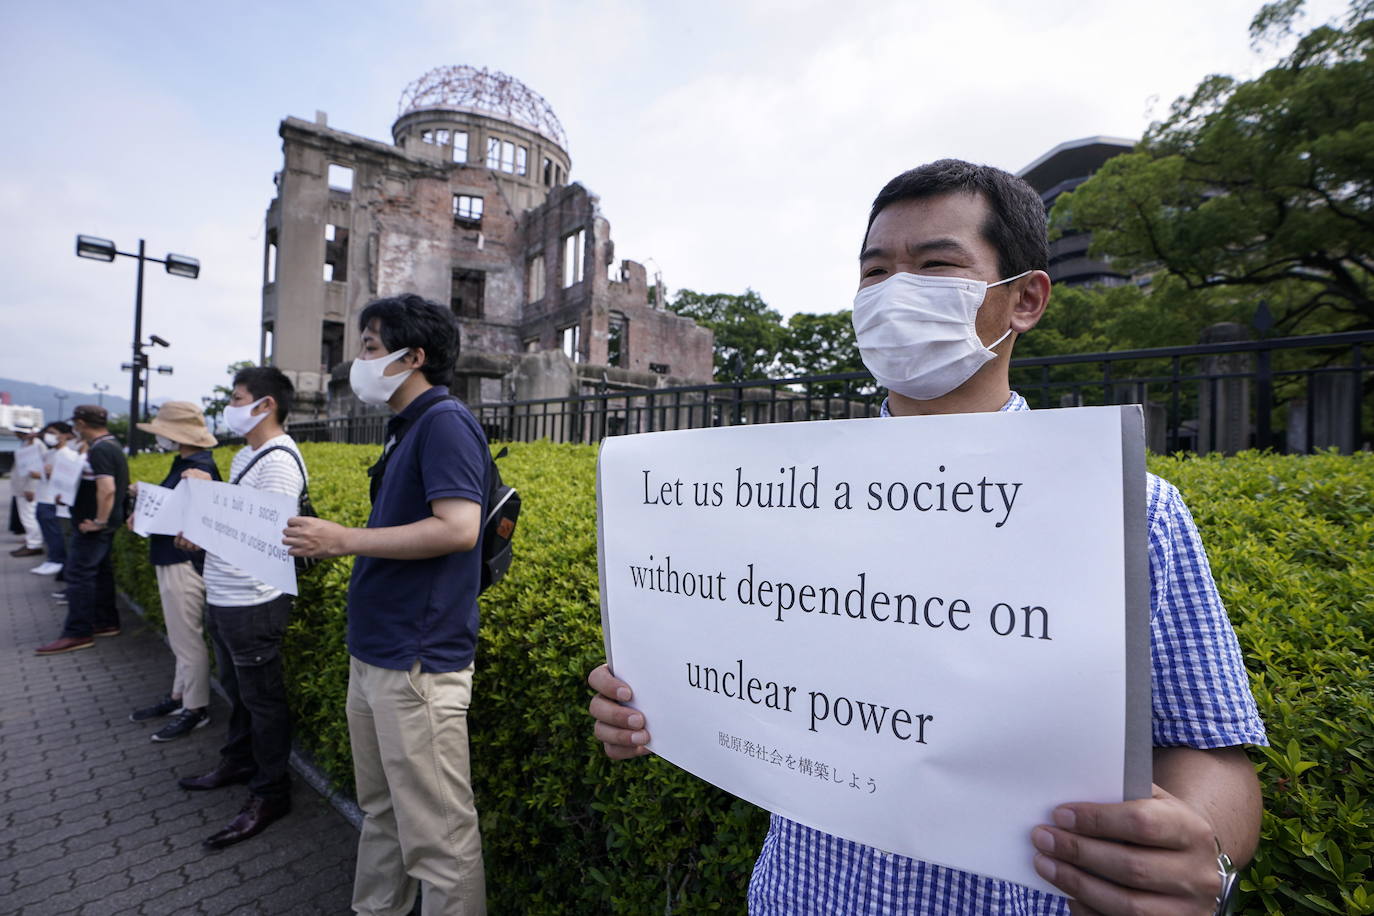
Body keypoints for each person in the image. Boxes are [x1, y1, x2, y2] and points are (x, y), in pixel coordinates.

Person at [587, 160, 1267, 915]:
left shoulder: (1128, 512)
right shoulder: (773, 499)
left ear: (1026, 299)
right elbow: (737, 672)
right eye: (874, 272)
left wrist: (1199, 843)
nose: (895, 292)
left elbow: (1213, 752)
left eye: (936, 264)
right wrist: (656, 702)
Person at [283, 294, 488, 915]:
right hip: (378, 654)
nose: (360, 360)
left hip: (416, 663)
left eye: (371, 347)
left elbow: (459, 528)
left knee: (440, 841)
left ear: (413, 357)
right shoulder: (409, 425)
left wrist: (344, 540)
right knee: (381, 812)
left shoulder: (444, 421)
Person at [176, 367, 306, 849]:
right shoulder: (246, 456)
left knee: (263, 700)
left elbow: (267, 538)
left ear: (265, 404)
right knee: (237, 688)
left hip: (253, 600)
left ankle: (271, 792)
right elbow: (232, 527)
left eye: (237, 397)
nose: (230, 406)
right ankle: (239, 760)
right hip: (225, 593)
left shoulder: (279, 461)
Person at [127, 401, 221, 742]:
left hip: (183, 565)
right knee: (182, 638)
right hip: (173, 561)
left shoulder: (198, 468)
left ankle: (195, 710)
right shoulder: (186, 463)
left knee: (186, 640)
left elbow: (205, 513)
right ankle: (180, 697)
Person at [36, 405, 129, 655]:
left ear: (81, 423)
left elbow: (107, 488)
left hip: (93, 526)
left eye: (76, 425)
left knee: (79, 575)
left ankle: (78, 632)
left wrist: (98, 521)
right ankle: (105, 621)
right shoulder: (112, 445)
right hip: (102, 524)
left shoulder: (100, 449)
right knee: (100, 573)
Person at [30, 422, 76, 577]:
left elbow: (68, 479)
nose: (48, 436)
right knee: (48, 532)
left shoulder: (68, 455)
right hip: (42, 496)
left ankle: (57, 560)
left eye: (52, 432)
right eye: (47, 432)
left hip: (53, 500)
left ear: (64, 435)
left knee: (55, 533)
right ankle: (52, 559)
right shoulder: (49, 454)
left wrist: (51, 474)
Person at [9, 425, 46, 559]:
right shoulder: (27, 443)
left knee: (29, 517)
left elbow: (36, 469)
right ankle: (31, 542)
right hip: (22, 487)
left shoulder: (36, 445)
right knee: (28, 517)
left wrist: (31, 489)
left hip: (28, 488)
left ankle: (34, 545)